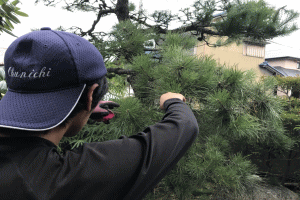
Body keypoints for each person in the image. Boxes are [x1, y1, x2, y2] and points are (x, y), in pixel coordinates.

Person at [0, 27, 199, 200]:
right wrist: (173, 101)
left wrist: (79, 110)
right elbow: (183, 128)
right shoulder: (62, 180)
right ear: (91, 95)